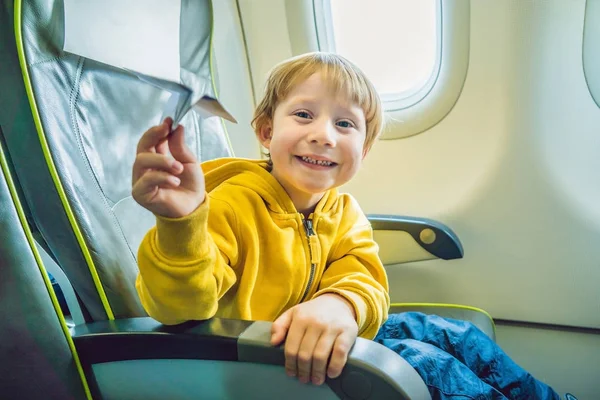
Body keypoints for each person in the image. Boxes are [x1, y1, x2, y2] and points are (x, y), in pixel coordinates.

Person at [132, 52, 571, 399]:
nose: (324, 134)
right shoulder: (232, 204)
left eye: (345, 124)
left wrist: (340, 304)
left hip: (326, 337)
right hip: (263, 358)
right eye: (303, 115)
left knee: (454, 334)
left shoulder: (342, 211)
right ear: (266, 132)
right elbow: (181, 307)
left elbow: (365, 279)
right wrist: (181, 223)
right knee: (426, 364)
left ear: (364, 149)